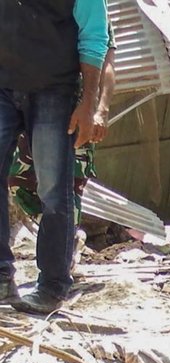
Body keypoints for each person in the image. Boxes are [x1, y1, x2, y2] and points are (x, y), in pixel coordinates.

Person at [1, 0, 110, 314]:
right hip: (3, 87)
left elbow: (95, 38)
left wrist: (90, 104)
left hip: (53, 90)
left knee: (53, 189)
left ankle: (52, 286)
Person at [8, 23, 116, 267]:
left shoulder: (93, 9)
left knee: (69, 183)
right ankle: (67, 237)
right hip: (36, 103)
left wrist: (101, 109)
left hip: (78, 109)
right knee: (17, 178)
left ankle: (62, 261)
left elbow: (107, 63)